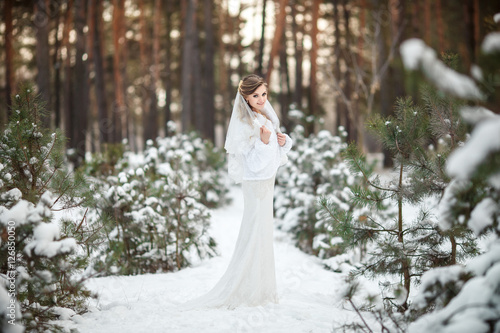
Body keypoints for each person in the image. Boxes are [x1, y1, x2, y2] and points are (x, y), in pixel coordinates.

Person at [185, 74, 292, 309]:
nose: (261, 99)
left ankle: (262, 288)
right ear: (245, 97)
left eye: (264, 93)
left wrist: (283, 141)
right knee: (254, 230)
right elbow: (251, 162)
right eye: (255, 95)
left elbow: (276, 148)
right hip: (256, 185)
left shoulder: (265, 114)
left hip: (267, 181)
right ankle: (244, 287)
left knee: (264, 231)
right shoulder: (245, 124)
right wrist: (264, 142)